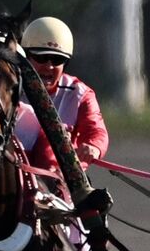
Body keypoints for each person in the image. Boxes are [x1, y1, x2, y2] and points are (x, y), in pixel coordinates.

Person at [14, 16, 109, 173]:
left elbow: (96, 131)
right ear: (25, 58)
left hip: (61, 179)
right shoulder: (6, 87)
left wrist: (93, 147)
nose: (49, 66)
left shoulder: (81, 94)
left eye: (57, 59)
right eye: (41, 57)